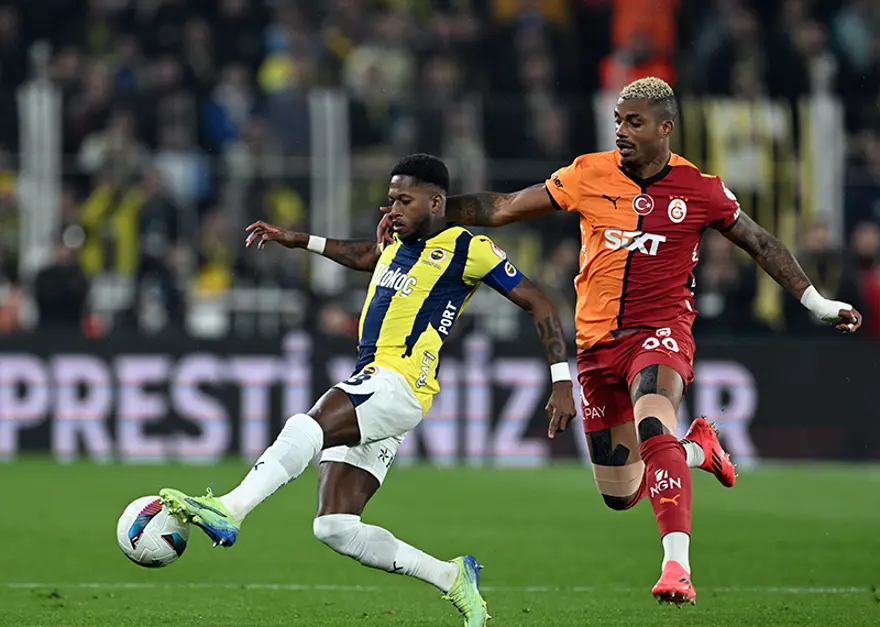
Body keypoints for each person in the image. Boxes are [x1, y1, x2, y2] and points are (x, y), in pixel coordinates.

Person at [378, 77, 864, 607]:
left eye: (634, 122)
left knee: (654, 423)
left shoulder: (700, 189)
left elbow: (761, 243)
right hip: (596, 347)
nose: (622, 131)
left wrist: (817, 303)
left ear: (665, 127)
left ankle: (677, 567)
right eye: (618, 121)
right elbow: (503, 207)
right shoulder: (589, 173)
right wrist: (425, 212)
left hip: (660, 333)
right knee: (621, 493)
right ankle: (698, 450)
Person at [159, 154, 577, 627]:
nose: (393, 209)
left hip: (399, 381)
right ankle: (452, 577)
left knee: (308, 425)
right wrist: (300, 240)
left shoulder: (468, 247)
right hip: (378, 383)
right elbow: (364, 256)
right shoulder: (395, 241)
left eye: (404, 200)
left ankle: (229, 509)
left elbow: (540, 303)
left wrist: (561, 380)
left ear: (436, 202)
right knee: (335, 526)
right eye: (390, 200)